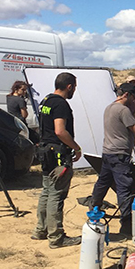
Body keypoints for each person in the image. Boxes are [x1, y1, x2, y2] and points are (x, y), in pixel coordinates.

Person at [32, 72, 83, 249]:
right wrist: (76, 147)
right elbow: (60, 131)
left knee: (46, 191)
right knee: (56, 195)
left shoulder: (46, 101)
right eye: (74, 87)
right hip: (58, 155)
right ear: (69, 86)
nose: (74, 90)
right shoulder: (61, 104)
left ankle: (41, 230)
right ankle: (56, 237)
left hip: (45, 152)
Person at [90, 82, 135, 235]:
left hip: (107, 152)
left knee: (103, 182)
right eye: (133, 97)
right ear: (126, 95)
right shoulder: (123, 110)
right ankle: (126, 224)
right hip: (120, 155)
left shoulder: (109, 108)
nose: (134, 101)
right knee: (124, 188)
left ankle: (94, 208)